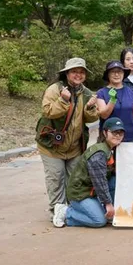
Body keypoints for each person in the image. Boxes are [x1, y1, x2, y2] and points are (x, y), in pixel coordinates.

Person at [36, 58, 99, 218]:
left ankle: (71, 210)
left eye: (81, 72)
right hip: (52, 146)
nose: (78, 75)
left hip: (74, 147)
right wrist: (63, 100)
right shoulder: (54, 89)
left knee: (74, 180)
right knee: (56, 178)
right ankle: (56, 212)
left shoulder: (86, 93)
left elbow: (91, 119)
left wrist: (91, 107)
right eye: (74, 71)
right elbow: (47, 112)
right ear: (67, 73)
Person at [51, 117, 124, 228]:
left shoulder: (111, 149)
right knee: (99, 220)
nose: (118, 135)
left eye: (120, 132)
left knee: (115, 181)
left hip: (92, 191)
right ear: (105, 133)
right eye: (114, 132)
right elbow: (100, 182)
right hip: (81, 193)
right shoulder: (99, 154)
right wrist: (108, 204)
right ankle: (66, 212)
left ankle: (100, 209)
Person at [96, 61, 133, 143]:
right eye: (113, 72)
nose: (116, 74)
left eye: (119, 71)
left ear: (123, 74)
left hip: (130, 137)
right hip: (109, 139)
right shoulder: (101, 93)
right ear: (108, 74)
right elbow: (104, 115)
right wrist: (112, 100)